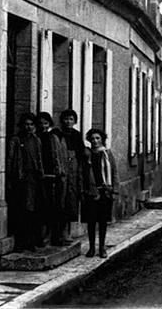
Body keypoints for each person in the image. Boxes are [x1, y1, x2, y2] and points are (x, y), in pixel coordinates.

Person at [7, 113, 45, 251]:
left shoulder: (36, 140)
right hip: (21, 179)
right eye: (26, 124)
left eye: (31, 124)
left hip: (34, 179)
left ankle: (31, 241)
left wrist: (40, 173)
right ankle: (20, 242)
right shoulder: (16, 140)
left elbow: (39, 158)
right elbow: (11, 159)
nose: (28, 127)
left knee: (33, 211)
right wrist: (11, 178)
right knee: (21, 210)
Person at [56, 110, 94, 244]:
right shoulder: (56, 134)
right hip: (61, 170)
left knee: (71, 200)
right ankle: (57, 234)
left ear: (75, 121)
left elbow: (81, 153)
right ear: (62, 120)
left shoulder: (76, 135)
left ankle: (66, 233)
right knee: (59, 200)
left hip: (73, 171)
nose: (68, 122)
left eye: (71, 119)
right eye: (66, 119)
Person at [83, 128, 118, 258]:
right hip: (91, 191)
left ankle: (102, 248)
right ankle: (91, 248)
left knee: (102, 221)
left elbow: (114, 172)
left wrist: (115, 190)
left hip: (105, 191)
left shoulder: (108, 154)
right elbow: (84, 172)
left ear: (102, 139)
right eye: (92, 139)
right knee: (91, 221)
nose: (95, 141)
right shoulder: (87, 154)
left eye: (98, 138)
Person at [37, 112, 68, 245]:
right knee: (41, 206)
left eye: (45, 123)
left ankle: (55, 236)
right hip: (39, 176)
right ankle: (42, 236)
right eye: (41, 123)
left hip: (52, 176)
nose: (43, 126)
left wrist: (58, 172)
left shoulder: (53, 138)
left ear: (49, 124)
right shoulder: (36, 137)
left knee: (55, 206)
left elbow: (57, 156)